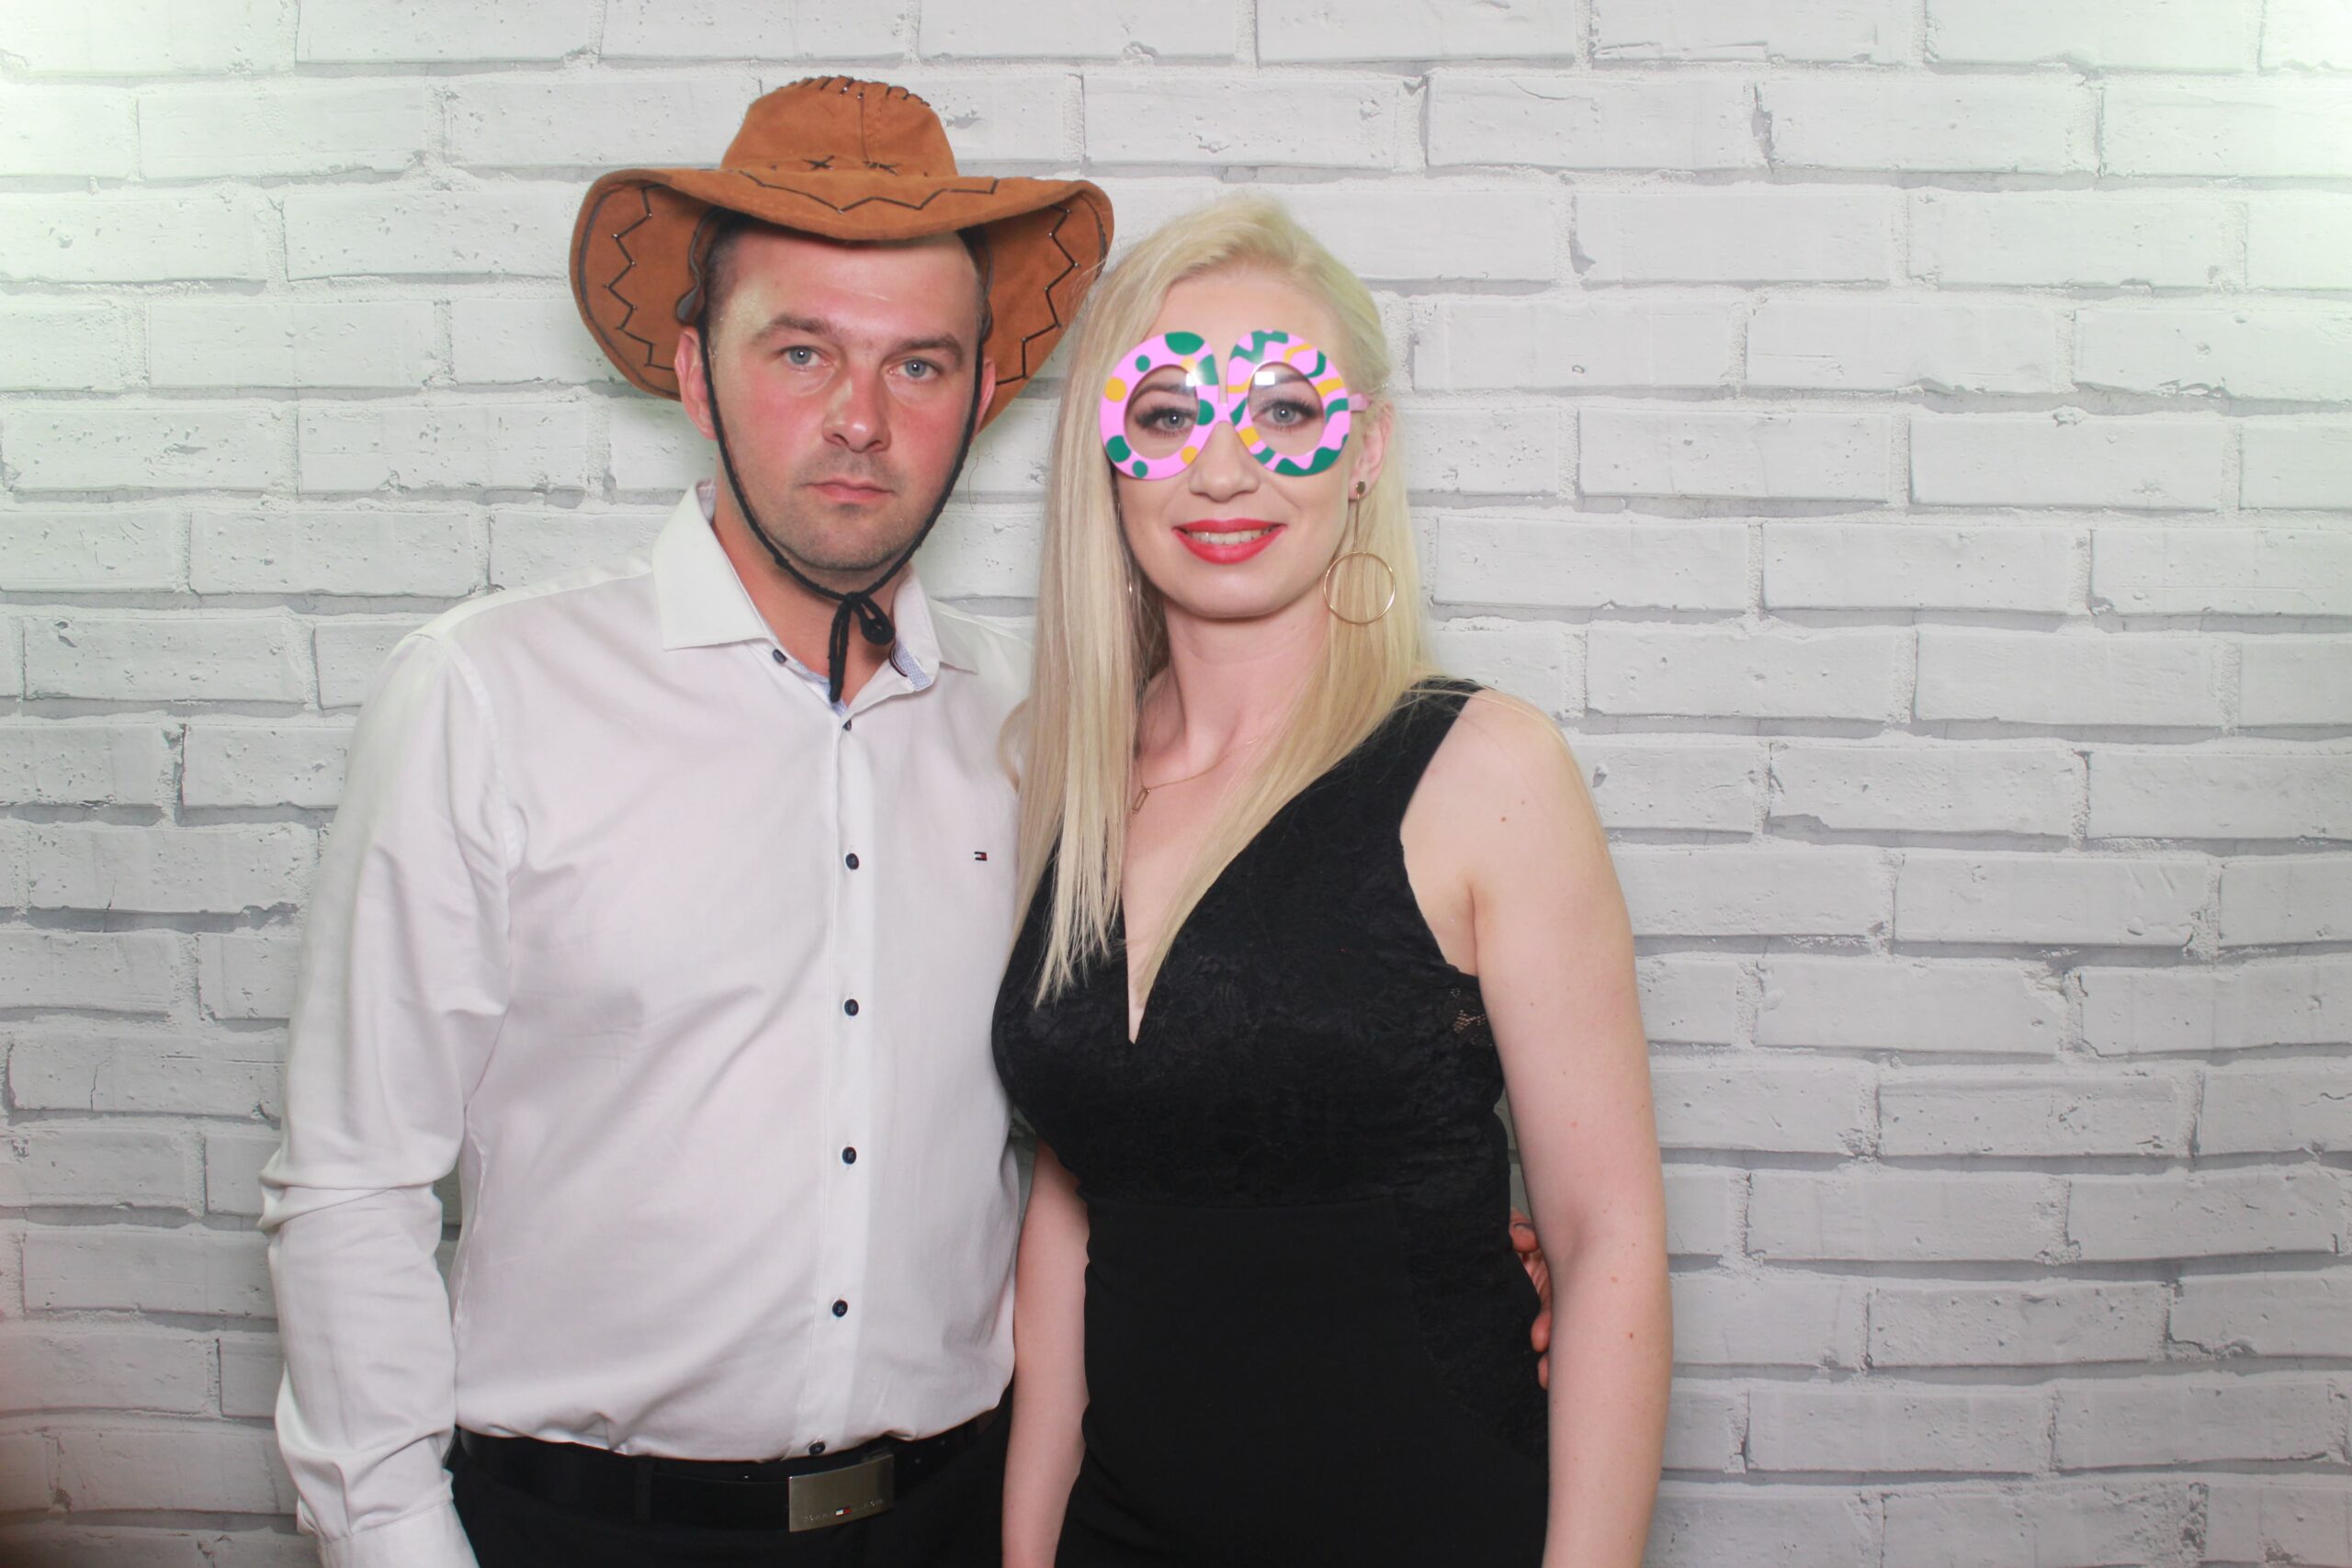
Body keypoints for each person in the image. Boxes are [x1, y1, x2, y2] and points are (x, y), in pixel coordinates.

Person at [259, 77, 1114, 1568]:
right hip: (585, 1532)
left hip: (954, 1522)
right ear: (696, 373)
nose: (859, 420)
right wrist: (394, 1542)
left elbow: (1123, 1116)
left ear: (982, 396)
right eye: (802, 351)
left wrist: (1429, 1236)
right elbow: (353, 1175)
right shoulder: (489, 693)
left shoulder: (1039, 726)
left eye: (917, 364)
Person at [992, 197, 1672, 1566]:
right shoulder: (1061, 776)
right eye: (1170, 414)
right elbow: (1072, 1216)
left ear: (1365, 448)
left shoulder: (1486, 769)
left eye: (1285, 413)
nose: (1222, 472)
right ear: (1107, 456)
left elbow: (1606, 1240)